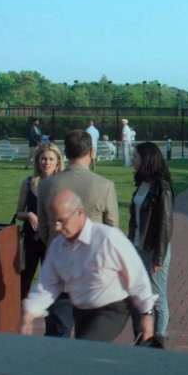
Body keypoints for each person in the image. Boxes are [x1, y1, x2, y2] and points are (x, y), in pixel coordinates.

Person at [21, 190, 156, 343]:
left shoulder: (108, 238)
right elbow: (48, 284)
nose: (57, 227)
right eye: (53, 222)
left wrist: (147, 313)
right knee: (90, 355)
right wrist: (30, 311)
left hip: (111, 308)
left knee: (86, 348)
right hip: (81, 310)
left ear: (79, 212)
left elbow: (137, 275)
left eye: (62, 220)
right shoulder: (58, 247)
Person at [37, 130, 119, 338]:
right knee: (91, 336)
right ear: (91, 152)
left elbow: (43, 229)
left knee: (57, 332)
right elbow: (112, 230)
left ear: (65, 152)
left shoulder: (47, 185)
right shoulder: (105, 186)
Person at [128, 142, 174, 347]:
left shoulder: (161, 187)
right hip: (138, 246)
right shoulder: (142, 183)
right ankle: (143, 335)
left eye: (135, 156)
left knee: (157, 295)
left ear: (146, 159)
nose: (133, 160)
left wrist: (159, 256)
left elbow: (165, 225)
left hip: (154, 248)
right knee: (138, 293)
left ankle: (159, 337)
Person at [14, 143, 64, 299]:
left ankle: (50, 318)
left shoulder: (62, 184)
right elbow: (18, 213)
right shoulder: (28, 183)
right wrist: (29, 214)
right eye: (43, 159)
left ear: (58, 161)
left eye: (51, 159)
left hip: (53, 240)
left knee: (51, 282)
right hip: (31, 239)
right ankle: (20, 315)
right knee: (24, 279)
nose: (47, 163)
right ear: (37, 161)